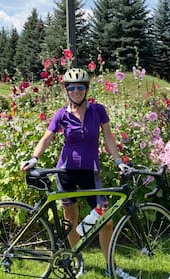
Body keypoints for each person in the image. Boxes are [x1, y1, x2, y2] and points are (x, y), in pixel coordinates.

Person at [21, 68, 132, 278]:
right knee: (70, 219)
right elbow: (47, 137)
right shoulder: (61, 114)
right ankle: (76, 260)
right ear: (67, 90)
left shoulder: (98, 110)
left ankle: (111, 267)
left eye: (80, 87)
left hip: (90, 172)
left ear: (86, 89)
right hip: (66, 173)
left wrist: (118, 161)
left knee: (105, 220)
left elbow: (108, 137)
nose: (76, 91)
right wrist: (34, 158)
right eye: (71, 87)